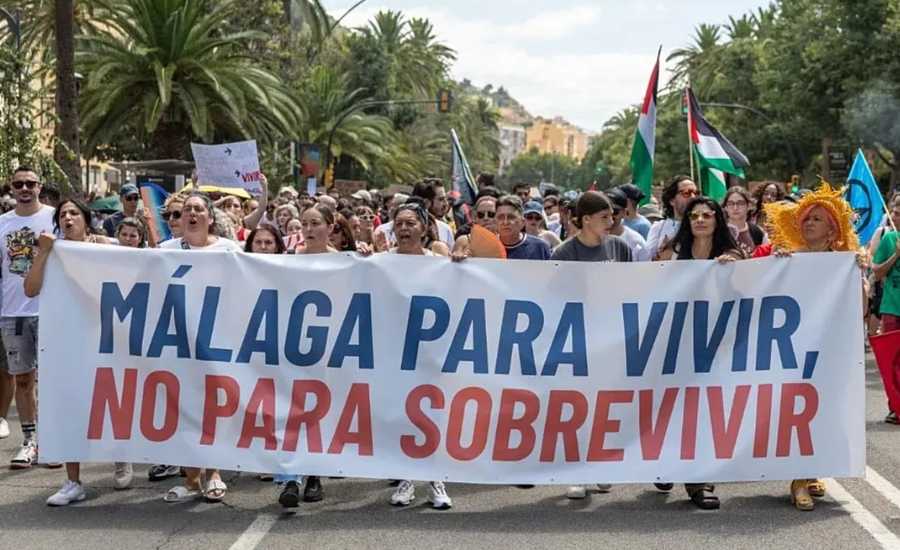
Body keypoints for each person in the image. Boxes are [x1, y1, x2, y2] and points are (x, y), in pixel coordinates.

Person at [756, 183, 865, 511]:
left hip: (831, 350)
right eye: (806, 218)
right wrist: (776, 267)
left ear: (832, 229)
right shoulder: (790, 259)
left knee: (828, 409)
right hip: (795, 350)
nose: (808, 223)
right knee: (799, 410)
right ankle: (798, 479)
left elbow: (858, 309)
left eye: (817, 219)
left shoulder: (846, 263)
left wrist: (857, 274)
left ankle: (813, 470)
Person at [24, 198, 130, 506]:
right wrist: (43, 252)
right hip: (67, 341)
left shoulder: (106, 246)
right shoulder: (52, 251)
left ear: (86, 219)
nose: (68, 218)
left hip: (107, 336)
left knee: (113, 398)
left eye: (74, 213)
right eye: (62, 215)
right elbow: (30, 289)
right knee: (70, 404)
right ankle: (73, 481)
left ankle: (121, 454)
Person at [160, 193, 240, 504]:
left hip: (218, 341)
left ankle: (215, 473)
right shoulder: (164, 251)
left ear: (209, 216)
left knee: (214, 408)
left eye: (198, 209)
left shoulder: (228, 249)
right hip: (178, 342)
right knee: (185, 409)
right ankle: (192, 479)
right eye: (185, 210)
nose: (191, 214)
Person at [550, 191, 631, 499]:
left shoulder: (621, 248)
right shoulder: (563, 253)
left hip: (613, 340)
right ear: (585, 220)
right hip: (578, 341)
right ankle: (577, 472)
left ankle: (603, 465)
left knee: (607, 407)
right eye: (604, 217)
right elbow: (555, 297)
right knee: (578, 408)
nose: (611, 222)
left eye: (612, 216)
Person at [667, 196, 744, 510]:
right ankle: (668, 462)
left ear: (717, 220)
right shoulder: (673, 254)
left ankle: (701, 482)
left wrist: (734, 272)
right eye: (694, 216)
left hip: (717, 345)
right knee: (674, 409)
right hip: (677, 342)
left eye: (706, 215)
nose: (699, 220)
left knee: (705, 413)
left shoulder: (733, 255)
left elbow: (754, 287)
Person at [387, 202, 453, 510]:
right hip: (394, 354)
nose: (403, 229)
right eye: (398, 223)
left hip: (431, 352)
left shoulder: (439, 262)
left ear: (424, 228)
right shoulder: (380, 262)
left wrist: (461, 266)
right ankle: (407, 478)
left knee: (432, 414)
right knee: (402, 415)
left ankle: (435, 478)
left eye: (410, 223)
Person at [0, 167, 55, 471]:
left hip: (50, 311)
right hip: (12, 312)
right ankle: (30, 441)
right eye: (18, 183)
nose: (24, 188)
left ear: (39, 186)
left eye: (30, 183)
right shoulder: (2, 224)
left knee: (51, 379)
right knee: (22, 379)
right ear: (11, 187)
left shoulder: (54, 217)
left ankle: (53, 441)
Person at [874, 197, 900, 422]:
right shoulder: (889, 239)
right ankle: (896, 406)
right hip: (892, 308)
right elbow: (877, 272)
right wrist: (896, 255)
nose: (898, 216)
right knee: (891, 361)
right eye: (896, 212)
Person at [647, 175, 699, 260]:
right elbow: (646, 263)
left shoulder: (704, 225)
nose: (693, 197)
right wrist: (661, 254)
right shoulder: (659, 228)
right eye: (686, 193)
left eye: (696, 193)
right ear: (672, 200)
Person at [496, 196, 551, 260]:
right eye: (501, 217)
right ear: (495, 220)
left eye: (511, 217)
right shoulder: (487, 246)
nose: (505, 222)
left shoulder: (540, 247)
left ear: (522, 221)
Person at [606, 187, 650, 261]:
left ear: (624, 213)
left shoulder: (637, 242)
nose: (610, 216)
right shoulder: (592, 238)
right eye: (604, 211)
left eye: (614, 211)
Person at [722, 186, 766, 257]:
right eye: (731, 203)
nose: (735, 208)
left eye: (740, 203)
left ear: (748, 206)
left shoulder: (758, 232)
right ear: (726, 207)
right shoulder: (718, 231)